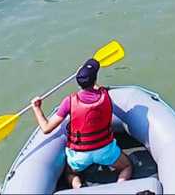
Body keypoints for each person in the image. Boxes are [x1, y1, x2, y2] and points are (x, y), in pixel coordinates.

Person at [29, 59, 133, 189]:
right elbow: (95, 86)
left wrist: (37, 108)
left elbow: (46, 128)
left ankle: (79, 188)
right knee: (127, 166)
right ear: (95, 80)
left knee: (71, 173)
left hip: (80, 155)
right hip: (105, 151)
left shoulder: (69, 102)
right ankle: (120, 187)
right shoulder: (104, 95)